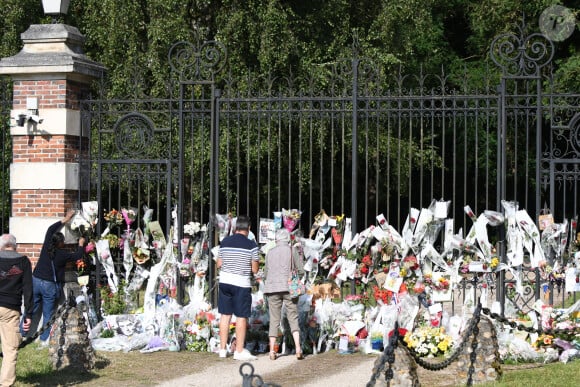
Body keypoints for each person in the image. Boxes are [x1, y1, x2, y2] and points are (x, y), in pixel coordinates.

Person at [31, 209, 85, 346]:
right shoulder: (63, 254)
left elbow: (50, 229)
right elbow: (77, 256)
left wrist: (65, 219)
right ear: (60, 243)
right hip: (49, 285)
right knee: (47, 313)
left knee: (31, 308)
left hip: (36, 280)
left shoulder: (46, 247)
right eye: (63, 241)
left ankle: (22, 333)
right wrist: (80, 244)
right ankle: (43, 340)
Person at [216, 215, 259, 361]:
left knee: (225, 315)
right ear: (249, 228)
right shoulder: (252, 245)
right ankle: (239, 350)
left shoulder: (225, 242)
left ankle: (222, 349)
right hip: (241, 283)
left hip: (225, 281)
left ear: (235, 228)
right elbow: (254, 269)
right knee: (241, 316)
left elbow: (219, 264)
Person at [263, 228, 305, 360]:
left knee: (274, 319)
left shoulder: (270, 252)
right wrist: (296, 278)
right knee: (293, 316)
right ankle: (298, 348)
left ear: (276, 239)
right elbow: (301, 270)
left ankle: (271, 351)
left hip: (272, 288)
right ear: (288, 239)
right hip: (289, 288)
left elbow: (265, 273)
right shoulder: (293, 250)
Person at [0, 234, 33, 386]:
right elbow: (28, 289)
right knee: (10, 350)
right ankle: (5, 384)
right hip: (10, 308)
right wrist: (29, 314)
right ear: (15, 245)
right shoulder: (23, 261)